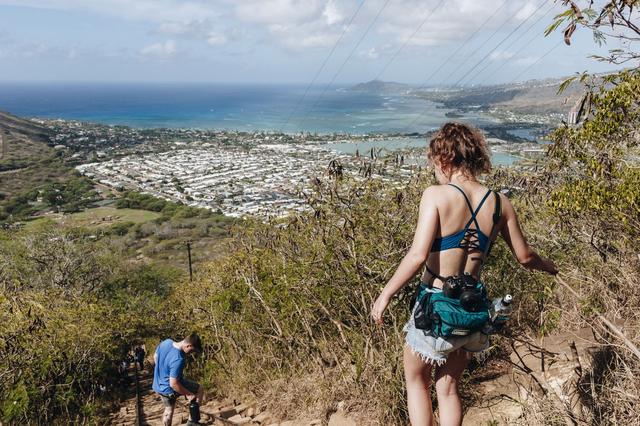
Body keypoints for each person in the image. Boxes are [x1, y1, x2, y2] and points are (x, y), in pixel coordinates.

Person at [371, 122, 558, 426]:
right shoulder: (500, 203)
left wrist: (385, 294)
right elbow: (525, 256)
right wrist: (550, 266)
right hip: (472, 310)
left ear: (444, 160)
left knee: (417, 382)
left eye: (435, 164)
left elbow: (418, 255)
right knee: (449, 388)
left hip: (435, 307)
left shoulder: (436, 195)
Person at [152, 333, 204, 426]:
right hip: (170, 387)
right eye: (191, 351)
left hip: (158, 383)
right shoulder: (178, 358)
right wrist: (189, 394)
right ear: (188, 345)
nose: (191, 353)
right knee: (199, 389)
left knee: (168, 409)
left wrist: (163, 372)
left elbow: (155, 357)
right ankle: (192, 422)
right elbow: (174, 384)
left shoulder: (167, 342)